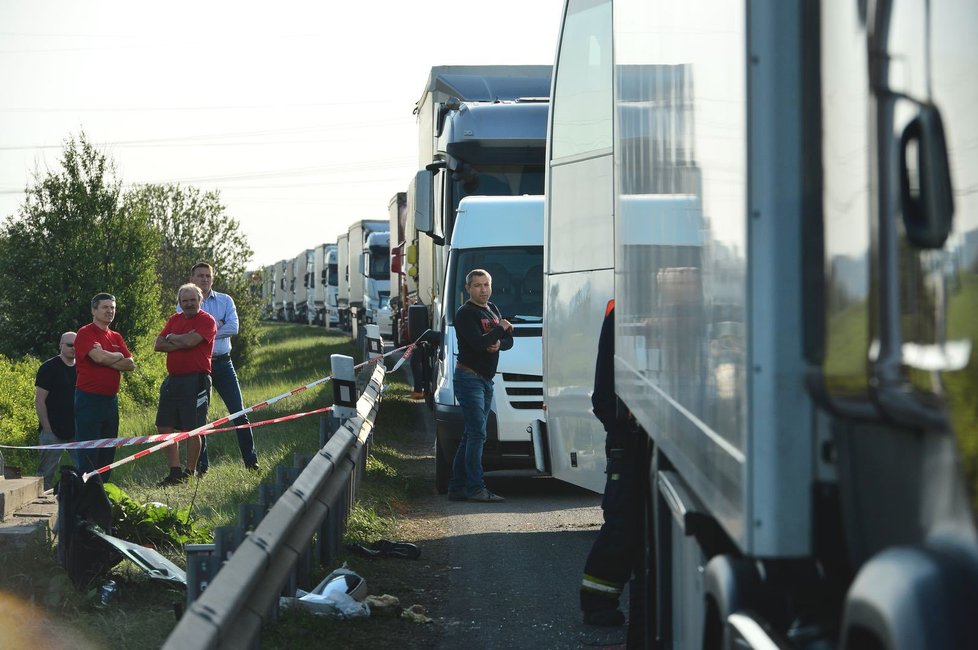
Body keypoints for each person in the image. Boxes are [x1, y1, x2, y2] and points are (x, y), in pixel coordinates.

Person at [580, 303, 643, 635]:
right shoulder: (621, 311)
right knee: (623, 524)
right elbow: (603, 392)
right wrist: (620, 430)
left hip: (649, 438)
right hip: (629, 440)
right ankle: (597, 603)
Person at [447, 269, 513, 503]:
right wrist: (498, 331)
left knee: (471, 435)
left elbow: (508, 340)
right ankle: (476, 488)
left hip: (485, 379)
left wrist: (499, 343)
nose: (483, 290)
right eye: (477, 286)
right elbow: (477, 344)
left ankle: (456, 487)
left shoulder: (492, 309)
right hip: (469, 378)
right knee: (477, 433)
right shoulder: (465, 313)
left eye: (486, 285)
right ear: (468, 289)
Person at [186, 262, 260, 472]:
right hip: (200, 366)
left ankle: (251, 462)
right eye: (200, 275)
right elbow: (186, 332)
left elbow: (234, 327)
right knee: (200, 418)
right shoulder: (187, 301)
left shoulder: (225, 300)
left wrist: (203, 333)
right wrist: (215, 325)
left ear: (213, 278)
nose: (204, 279)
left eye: (208, 276)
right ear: (192, 278)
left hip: (224, 363)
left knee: (239, 413)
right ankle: (202, 467)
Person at [155, 283, 217, 486]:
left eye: (192, 300)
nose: (189, 304)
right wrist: (180, 340)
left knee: (193, 428)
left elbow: (191, 342)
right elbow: (158, 344)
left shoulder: (207, 321)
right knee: (164, 425)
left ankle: (189, 473)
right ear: (180, 302)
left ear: (200, 300)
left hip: (196, 380)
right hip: (173, 379)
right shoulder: (174, 319)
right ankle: (175, 472)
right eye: (185, 300)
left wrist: (173, 339)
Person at [72, 293, 136, 482]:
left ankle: (101, 493)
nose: (110, 311)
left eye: (112, 308)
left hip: (111, 401)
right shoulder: (85, 333)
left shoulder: (115, 336)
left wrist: (108, 355)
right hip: (88, 399)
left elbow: (130, 365)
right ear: (94, 310)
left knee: (108, 450)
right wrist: (116, 356)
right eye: (105, 307)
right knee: (90, 452)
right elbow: (98, 358)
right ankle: (84, 496)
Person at [34, 331, 77, 490]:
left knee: (86, 470)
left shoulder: (83, 368)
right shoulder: (48, 368)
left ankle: (79, 505)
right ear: (60, 345)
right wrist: (47, 430)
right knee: (45, 474)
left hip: (76, 431)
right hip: (52, 431)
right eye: (70, 345)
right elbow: (39, 401)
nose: (74, 348)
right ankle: (37, 505)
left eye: (77, 345)